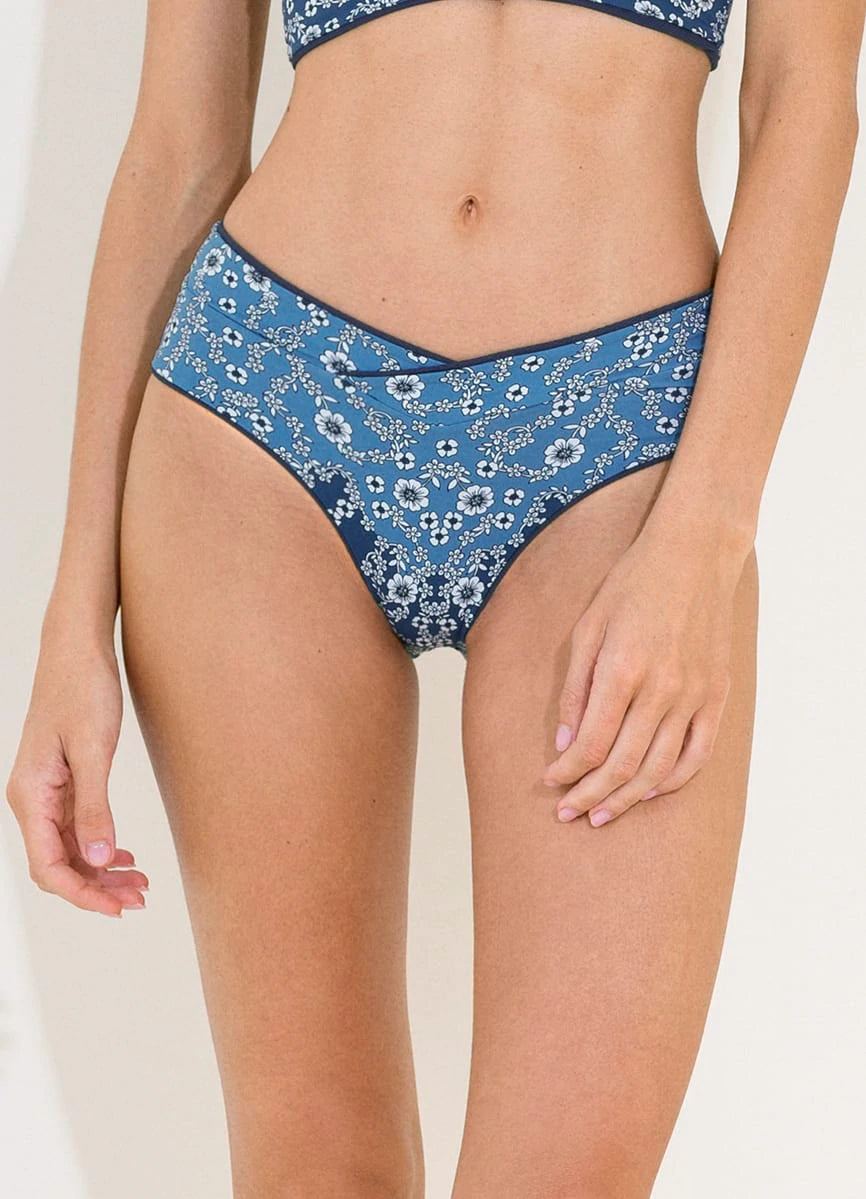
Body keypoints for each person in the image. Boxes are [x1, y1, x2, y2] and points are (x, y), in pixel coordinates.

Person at [6, 1, 864, 1195]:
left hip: (617, 442)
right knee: (311, 1171)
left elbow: (802, 101)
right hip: (262, 414)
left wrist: (702, 541)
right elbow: (177, 144)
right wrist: (71, 614)